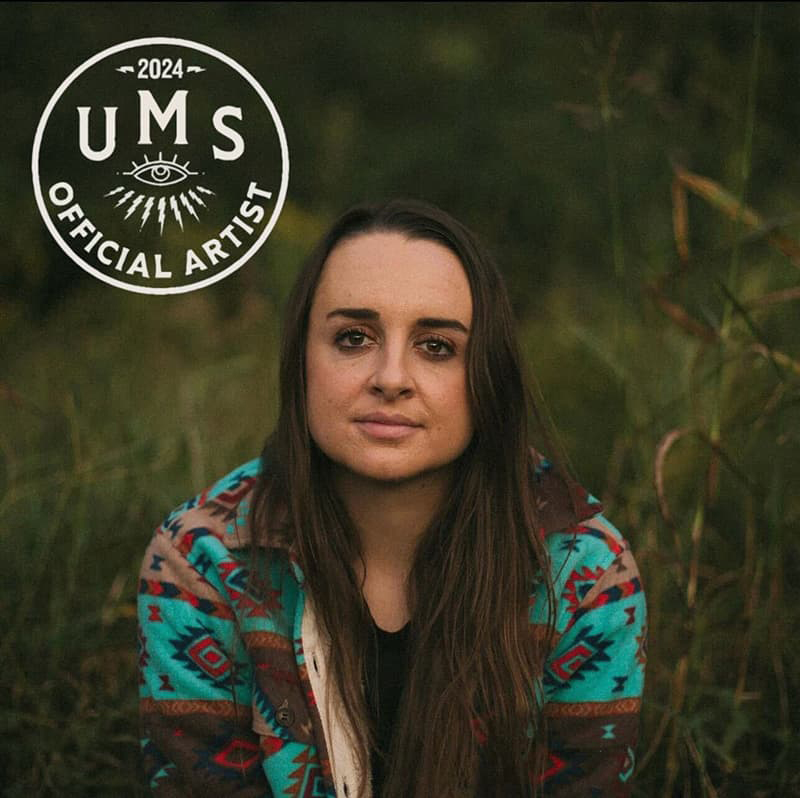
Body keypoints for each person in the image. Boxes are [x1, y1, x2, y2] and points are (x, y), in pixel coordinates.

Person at [138, 199, 647, 797]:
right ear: (301, 359)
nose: (391, 377)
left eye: (436, 346)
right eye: (353, 338)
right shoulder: (201, 561)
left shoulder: (582, 572)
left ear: (486, 375)